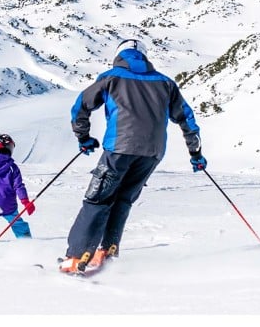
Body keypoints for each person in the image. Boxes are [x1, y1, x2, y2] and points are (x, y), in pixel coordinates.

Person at [59, 39, 206, 274]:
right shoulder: (165, 83)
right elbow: (186, 118)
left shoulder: (111, 77)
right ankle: (105, 251)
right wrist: (195, 152)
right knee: (123, 200)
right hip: (152, 153)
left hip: (119, 147)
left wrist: (83, 138)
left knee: (98, 199)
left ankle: (77, 256)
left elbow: (80, 107)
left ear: (119, 55)